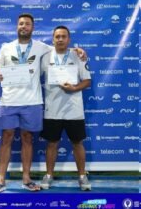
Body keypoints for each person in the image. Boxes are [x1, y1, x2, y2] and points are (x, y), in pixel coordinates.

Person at [0, 14, 85, 193]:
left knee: (27, 139)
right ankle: (0, 179)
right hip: (8, 100)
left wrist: (77, 50)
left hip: (32, 102)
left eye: (27, 24)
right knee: (6, 138)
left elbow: (61, 47)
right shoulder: (6, 47)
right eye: (21, 23)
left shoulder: (42, 47)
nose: (23, 26)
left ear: (33, 28)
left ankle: (26, 178)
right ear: (17, 27)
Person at [39, 25, 92, 191]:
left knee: (77, 143)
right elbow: (33, 75)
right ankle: (48, 176)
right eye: (57, 37)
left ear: (68, 39)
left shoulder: (78, 56)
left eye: (63, 36)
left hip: (73, 110)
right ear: (53, 39)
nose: (60, 39)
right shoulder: (45, 57)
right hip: (52, 110)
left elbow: (87, 81)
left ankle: (82, 177)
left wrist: (74, 88)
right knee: (52, 144)